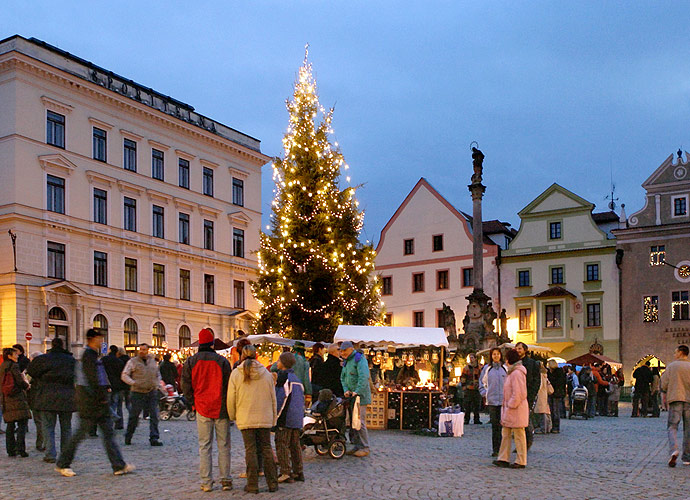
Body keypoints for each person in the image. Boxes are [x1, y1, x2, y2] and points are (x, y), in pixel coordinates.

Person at [55, 329, 133, 476]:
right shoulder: (88, 356)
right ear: (92, 339)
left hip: (97, 401)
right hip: (91, 402)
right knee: (79, 435)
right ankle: (63, 463)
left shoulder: (93, 355)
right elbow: (92, 379)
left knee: (108, 434)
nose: (101, 341)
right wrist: (101, 397)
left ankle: (118, 465)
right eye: (99, 338)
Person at [181, 328, 233, 492]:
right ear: (212, 344)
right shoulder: (222, 361)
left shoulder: (190, 361)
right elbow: (228, 386)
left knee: (205, 446)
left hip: (202, 407)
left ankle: (206, 482)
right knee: (224, 445)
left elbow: (185, 386)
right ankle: (226, 480)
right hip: (221, 408)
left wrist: (193, 402)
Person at [227, 345, 278, 493]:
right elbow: (273, 398)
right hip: (264, 416)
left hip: (245, 416)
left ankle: (253, 484)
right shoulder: (267, 374)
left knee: (250, 450)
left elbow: (231, 398)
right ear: (256, 355)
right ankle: (272, 483)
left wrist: (233, 415)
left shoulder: (236, 374)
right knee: (266, 449)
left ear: (242, 356)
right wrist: (273, 417)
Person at [26, 337, 75, 463]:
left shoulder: (43, 359)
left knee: (48, 427)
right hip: (67, 396)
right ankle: (66, 454)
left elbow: (31, 371)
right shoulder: (70, 360)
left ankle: (50, 454)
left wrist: (42, 377)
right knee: (66, 427)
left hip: (47, 396)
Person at [121, 343, 163, 446]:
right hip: (137, 392)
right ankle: (129, 435)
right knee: (134, 416)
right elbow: (124, 375)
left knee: (154, 415)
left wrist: (157, 384)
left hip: (151, 391)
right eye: (140, 349)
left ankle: (154, 437)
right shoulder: (133, 361)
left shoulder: (153, 361)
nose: (142, 351)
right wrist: (133, 383)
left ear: (148, 350)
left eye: (144, 349)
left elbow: (158, 374)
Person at [493, 348, 528, 469]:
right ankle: (503, 458)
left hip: (516, 410)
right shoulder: (512, 372)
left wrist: (510, 405)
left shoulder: (517, 373)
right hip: (509, 410)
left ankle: (521, 460)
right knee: (506, 434)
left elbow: (518, 394)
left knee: (519, 435)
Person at [274, 352, 305, 483]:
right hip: (296, 417)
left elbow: (281, 398)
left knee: (281, 444)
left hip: (285, 417)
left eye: (279, 360)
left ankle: (285, 471)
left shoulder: (283, 378)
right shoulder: (296, 379)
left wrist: (275, 415)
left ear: (283, 363)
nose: (277, 362)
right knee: (295, 445)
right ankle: (298, 471)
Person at [339, 341, 371, 457]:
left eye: (344, 351)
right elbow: (343, 377)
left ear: (351, 349)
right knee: (354, 422)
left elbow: (364, 377)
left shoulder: (359, 360)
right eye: (341, 351)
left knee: (360, 422)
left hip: (360, 397)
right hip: (352, 396)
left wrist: (357, 391)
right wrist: (346, 390)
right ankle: (357, 445)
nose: (342, 353)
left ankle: (365, 447)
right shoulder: (347, 362)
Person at [660, 344, 690, 467]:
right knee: (688, 429)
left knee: (672, 426)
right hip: (688, 400)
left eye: (675, 352)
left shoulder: (671, 367)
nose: (674, 354)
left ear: (680, 353)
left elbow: (663, 384)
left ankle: (674, 449)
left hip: (675, 398)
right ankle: (687, 457)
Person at [1, 347, 31, 457]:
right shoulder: (14, 366)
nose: (17, 356)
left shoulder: (2, 366)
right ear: (9, 356)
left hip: (6, 397)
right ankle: (21, 449)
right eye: (15, 354)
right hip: (16, 397)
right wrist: (27, 386)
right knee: (22, 423)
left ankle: (10, 450)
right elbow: (19, 380)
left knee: (10, 424)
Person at [479, 347, 506, 456]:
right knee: (495, 426)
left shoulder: (505, 368)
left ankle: (504, 448)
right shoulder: (487, 368)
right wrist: (485, 393)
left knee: (504, 426)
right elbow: (482, 383)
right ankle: (496, 449)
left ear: (500, 355)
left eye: (497, 354)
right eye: (494, 354)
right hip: (492, 401)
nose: (496, 356)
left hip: (504, 401)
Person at [515, 342, 540, 449]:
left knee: (526, 420)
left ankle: (527, 443)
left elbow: (536, 381)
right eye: (516, 348)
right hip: (516, 396)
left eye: (520, 348)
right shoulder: (514, 363)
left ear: (525, 350)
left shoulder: (532, 363)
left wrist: (532, 394)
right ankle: (520, 444)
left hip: (527, 395)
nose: (518, 350)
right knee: (517, 422)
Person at [102, 345, 128, 430]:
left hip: (107, 385)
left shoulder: (104, 360)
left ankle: (110, 423)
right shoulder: (119, 361)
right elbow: (122, 374)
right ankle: (119, 424)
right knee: (119, 405)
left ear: (109, 350)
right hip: (118, 386)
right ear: (117, 352)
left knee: (110, 404)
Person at [27, 351, 46, 452]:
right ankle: (45, 443)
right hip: (45, 398)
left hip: (36, 398)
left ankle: (40, 443)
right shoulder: (47, 368)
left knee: (39, 422)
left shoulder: (32, 370)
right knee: (45, 422)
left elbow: (27, 383)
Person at [460, 353, 482, 425]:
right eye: (470, 358)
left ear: (475, 358)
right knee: (467, 405)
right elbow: (463, 378)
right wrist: (464, 387)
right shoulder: (466, 368)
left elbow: (482, 377)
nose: (471, 359)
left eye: (472, 357)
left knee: (476, 405)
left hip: (476, 389)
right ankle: (467, 419)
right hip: (468, 389)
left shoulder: (479, 368)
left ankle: (476, 419)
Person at [547, 359, 566, 433]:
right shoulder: (550, 372)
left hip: (557, 394)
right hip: (552, 393)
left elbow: (558, 383)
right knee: (551, 410)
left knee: (555, 410)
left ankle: (556, 427)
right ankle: (552, 426)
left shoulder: (559, 373)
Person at [533, 363, 552, 434]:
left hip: (540, 395)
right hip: (544, 395)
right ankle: (547, 428)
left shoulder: (539, 375)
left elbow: (539, 386)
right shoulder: (545, 375)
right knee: (545, 413)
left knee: (540, 413)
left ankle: (542, 428)